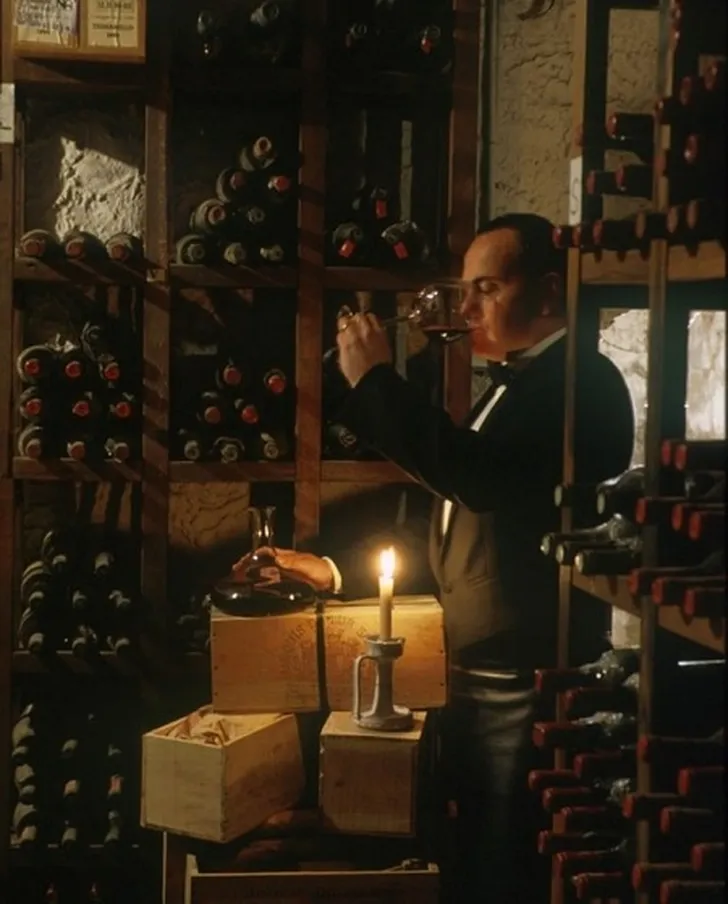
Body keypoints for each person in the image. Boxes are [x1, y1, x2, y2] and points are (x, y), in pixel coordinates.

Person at [235, 213, 635, 903]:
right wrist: (333, 572)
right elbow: (470, 538)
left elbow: (474, 478)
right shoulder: (515, 383)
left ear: (547, 291)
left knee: (506, 865)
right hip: (480, 676)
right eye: (466, 288)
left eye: (487, 287)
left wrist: (376, 381)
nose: (468, 307)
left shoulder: (580, 383)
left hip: (528, 678)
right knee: (470, 859)